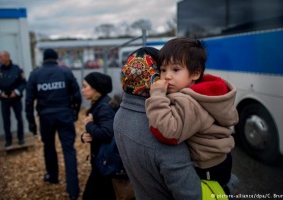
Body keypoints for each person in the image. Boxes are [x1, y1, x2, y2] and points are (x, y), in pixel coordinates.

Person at [145, 37, 238, 192]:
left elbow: (167, 132)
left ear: (195, 74)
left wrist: (157, 94)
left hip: (207, 167)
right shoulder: (203, 93)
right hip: (220, 160)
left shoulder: (190, 102)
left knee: (212, 193)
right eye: (163, 70)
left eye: (175, 70)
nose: (167, 76)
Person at [113, 47, 201, 200]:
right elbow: (191, 194)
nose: (168, 76)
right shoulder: (160, 128)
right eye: (163, 70)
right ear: (155, 78)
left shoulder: (119, 115)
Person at [25, 48, 81, 200]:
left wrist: (32, 123)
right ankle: (73, 190)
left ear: (44, 59)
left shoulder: (35, 74)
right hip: (64, 114)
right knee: (69, 150)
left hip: (46, 117)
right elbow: (77, 95)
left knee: (49, 147)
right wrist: (74, 113)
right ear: (56, 58)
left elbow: (29, 101)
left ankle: (53, 176)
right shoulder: (65, 72)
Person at [80, 72, 116, 200]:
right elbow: (99, 131)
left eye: (85, 86)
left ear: (95, 88)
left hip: (105, 163)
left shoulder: (104, 107)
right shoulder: (99, 104)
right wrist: (85, 135)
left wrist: (89, 125)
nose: (82, 89)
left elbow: (107, 133)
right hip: (101, 160)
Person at [0, 50, 27, 149]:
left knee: (19, 119)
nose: (0, 59)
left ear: (7, 57)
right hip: (4, 99)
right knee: (6, 121)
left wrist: (16, 92)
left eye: (1, 57)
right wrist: (0, 93)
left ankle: (21, 138)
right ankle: (8, 140)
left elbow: (23, 83)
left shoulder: (17, 69)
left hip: (15, 98)